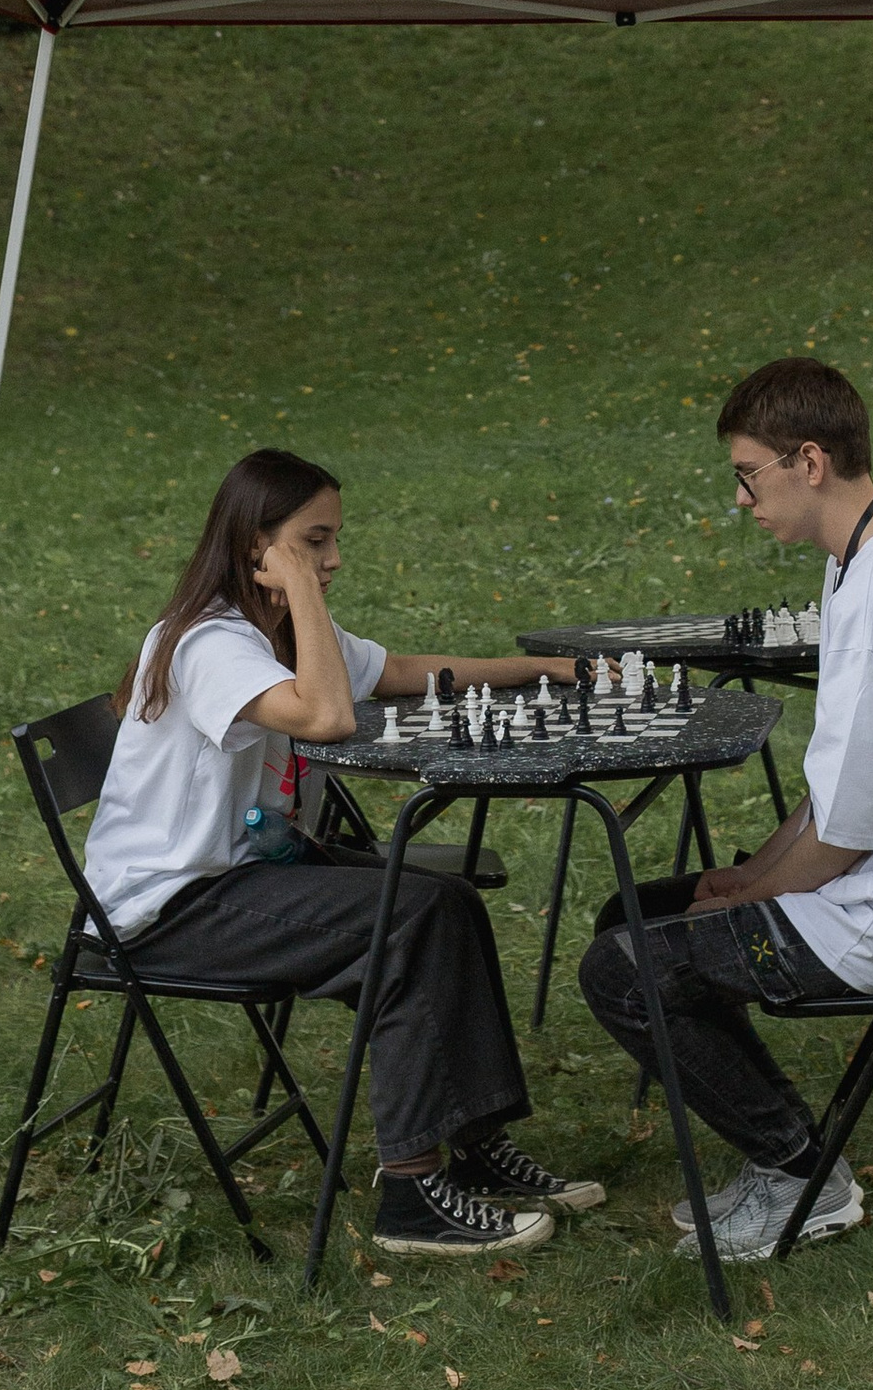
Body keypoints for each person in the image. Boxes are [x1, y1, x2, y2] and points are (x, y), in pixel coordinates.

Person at [84, 445, 601, 1258]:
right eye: (314, 542)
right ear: (259, 546)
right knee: (409, 919)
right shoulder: (209, 644)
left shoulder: (278, 632)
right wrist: (294, 587)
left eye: (331, 542)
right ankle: (411, 1195)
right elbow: (329, 716)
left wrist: (534, 668)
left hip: (248, 873)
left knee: (448, 900)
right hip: (170, 909)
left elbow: (394, 671)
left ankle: (471, 1144)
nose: (333, 560)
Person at [576, 355, 873, 1262]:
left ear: (807, 462)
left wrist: (754, 895)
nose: (742, 497)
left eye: (749, 474)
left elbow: (846, 835)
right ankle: (785, 1158)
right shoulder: (872, 552)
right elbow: (835, 793)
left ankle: (801, 1172)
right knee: (634, 916)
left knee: (623, 970)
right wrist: (745, 878)